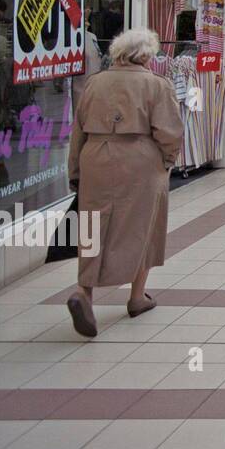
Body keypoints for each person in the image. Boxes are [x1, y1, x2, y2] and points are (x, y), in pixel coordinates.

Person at [65, 29, 183, 337]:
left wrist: (75, 169)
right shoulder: (156, 85)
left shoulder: (95, 82)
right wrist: (168, 161)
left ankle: (84, 292)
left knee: (92, 225)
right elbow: (169, 131)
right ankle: (136, 296)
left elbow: (77, 129)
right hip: (140, 158)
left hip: (95, 155)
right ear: (145, 55)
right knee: (142, 226)